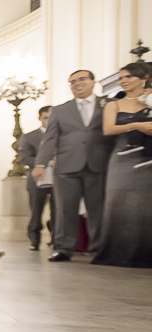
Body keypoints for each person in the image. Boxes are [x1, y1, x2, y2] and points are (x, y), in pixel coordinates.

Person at [33, 70, 113, 261]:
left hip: (98, 164)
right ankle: (64, 249)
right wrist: (40, 164)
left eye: (82, 79)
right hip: (67, 167)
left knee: (98, 210)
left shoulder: (108, 105)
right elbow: (50, 139)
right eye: (72, 82)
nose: (77, 84)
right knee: (65, 210)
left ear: (93, 82)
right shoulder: (59, 110)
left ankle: (98, 250)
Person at [92, 63, 152, 267]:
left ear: (143, 78)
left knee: (144, 206)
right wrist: (137, 125)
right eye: (121, 77)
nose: (123, 81)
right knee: (118, 202)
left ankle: (143, 254)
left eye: (128, 77)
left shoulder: (149, 105)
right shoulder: (114, 104)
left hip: (146, 159)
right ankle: (116, 253)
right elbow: (108, 129)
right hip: (121, 159)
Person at [19, 106, 55, 250]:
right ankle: (34, 240)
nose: (49, 120)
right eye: (46, 117)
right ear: (40, 118)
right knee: (36, 211)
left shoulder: (61, 135)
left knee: (58, 210)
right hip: (37, 180)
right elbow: (25, 157)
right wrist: (45, 163)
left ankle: (56, 238)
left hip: (57, 179)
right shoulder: (29, 137)